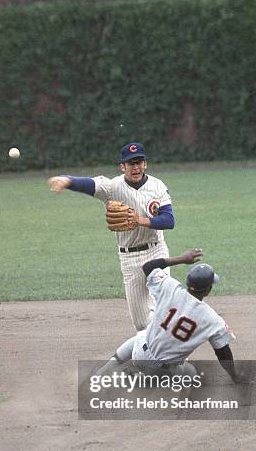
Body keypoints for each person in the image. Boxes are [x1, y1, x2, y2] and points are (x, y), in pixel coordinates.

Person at [49, 142, 175, 331]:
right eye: (131, 163)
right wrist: (67, 181)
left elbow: (168, 220)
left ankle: (176, 356)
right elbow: (89, 184)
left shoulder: (157, 186)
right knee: (141, 323)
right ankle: (154, 351)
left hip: (156, 251)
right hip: (129, 258)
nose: (136, 167)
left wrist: (139, 220)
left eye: (139, 162)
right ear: (122, 166)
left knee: (162, 308)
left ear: (145, 164)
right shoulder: (112, 187)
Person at [97, 248, 244, 382]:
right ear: (207, 290)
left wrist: (182, 259)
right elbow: (223, 353)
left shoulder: (169, 287)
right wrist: (235, 376)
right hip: (161, 370)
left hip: (139, 352)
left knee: (142, 335)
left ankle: (105, 371)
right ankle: (139, 379)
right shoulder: (212, 319)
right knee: (191, 374)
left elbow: (148, 267)